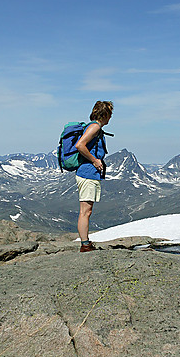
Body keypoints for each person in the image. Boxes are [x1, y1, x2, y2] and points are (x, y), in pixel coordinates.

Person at [74, 101, 113, 252]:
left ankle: (86, 243)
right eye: (110, 114)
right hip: (87, 173)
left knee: (86, 211)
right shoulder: (95, 127)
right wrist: (95, 160)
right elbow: (80, 145)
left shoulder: (93, 127)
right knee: (85, 211)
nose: (110, 118)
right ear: (105, 114)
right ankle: (85, 245)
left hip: (89, 173)